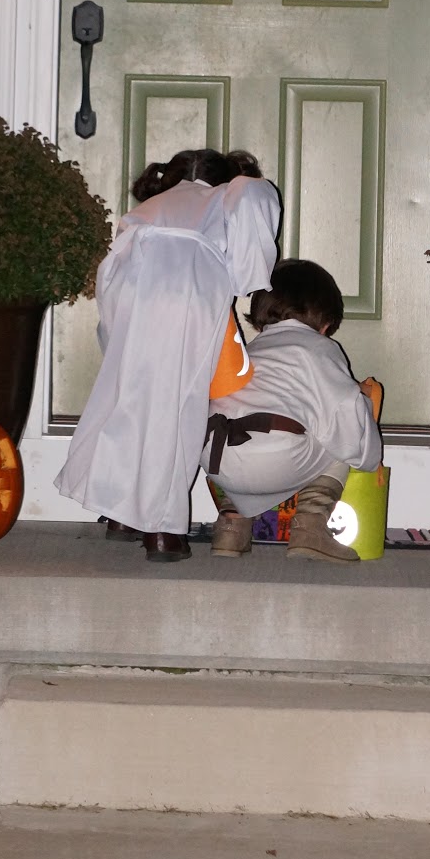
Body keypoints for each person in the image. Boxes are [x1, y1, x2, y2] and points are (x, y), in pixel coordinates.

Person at [55, 148, 281, 563]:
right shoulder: (230, 196)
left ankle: (122, 514)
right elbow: (255, 203)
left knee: (131, 404)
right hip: (189, 295)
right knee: (178, 410)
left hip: (133, 294)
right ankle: (162, 529)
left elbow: (112, 273)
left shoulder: (146, 210)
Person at [201, 258, 382, 563]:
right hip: (276, 457)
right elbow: (344, 409)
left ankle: (230, 526)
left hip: (216, 459)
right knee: (341, 433)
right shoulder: (320, 349)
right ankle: (310, 526)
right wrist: (368, 447)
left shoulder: (248, 351)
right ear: (325, 325)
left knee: (243, 440)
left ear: (260, 319)